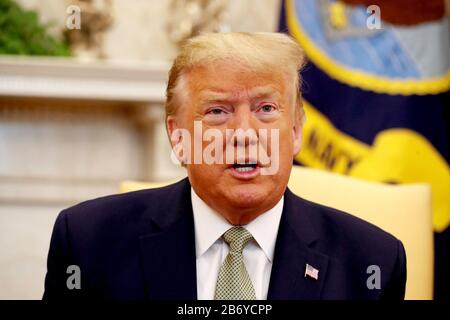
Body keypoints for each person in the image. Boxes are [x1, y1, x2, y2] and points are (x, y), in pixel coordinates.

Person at [43, 32, 406, 300]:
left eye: (266, 109)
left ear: (295, 131)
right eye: (218, 111)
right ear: (178, 136)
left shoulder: (370, 261)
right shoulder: (89, 243)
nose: (245, 134)